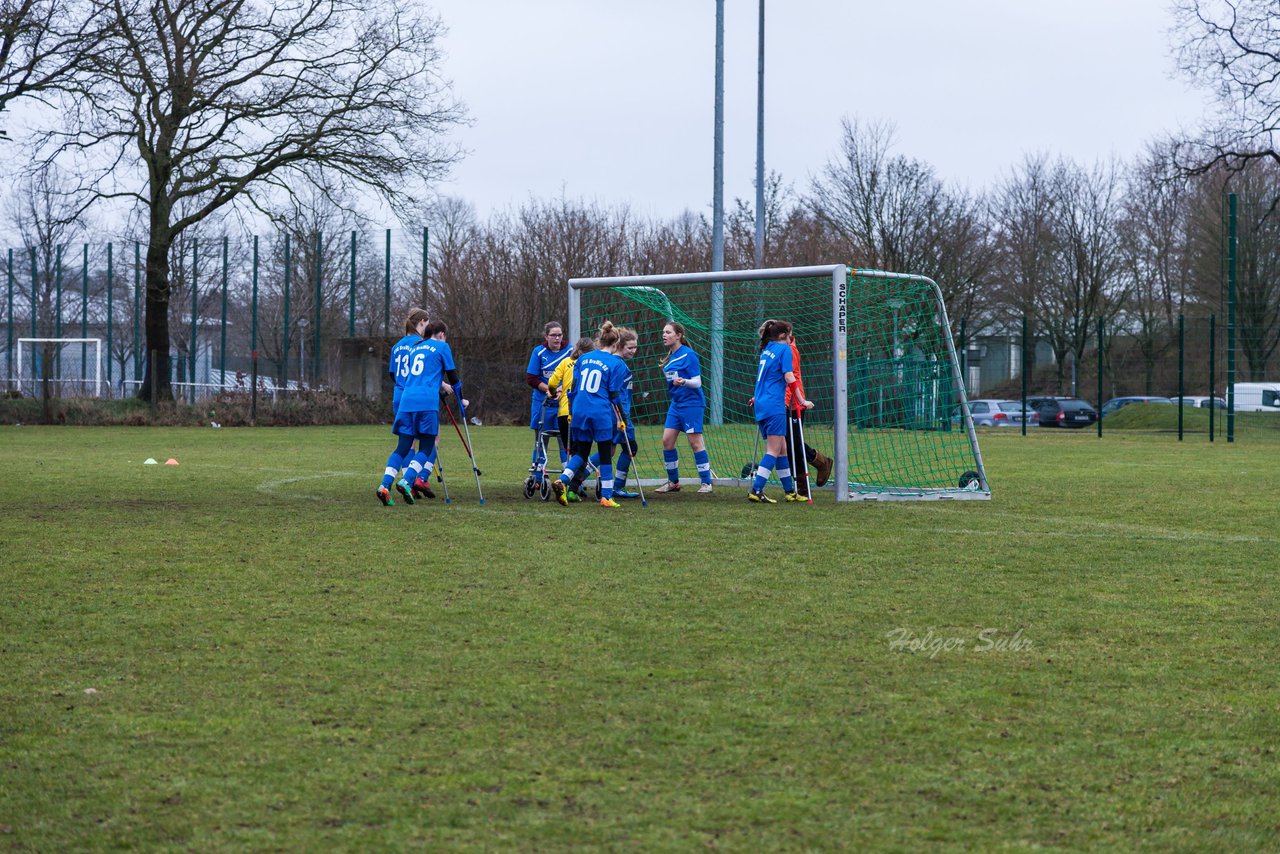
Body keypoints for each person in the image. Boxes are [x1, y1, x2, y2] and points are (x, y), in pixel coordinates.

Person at [376, 320, 461, 506]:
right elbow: (454, 378)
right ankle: (407, 481)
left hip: (406, 400)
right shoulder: (442, 347)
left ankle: (384, 485)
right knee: (426, 447)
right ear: (441, 335)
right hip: (426, 403)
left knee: (402, 447)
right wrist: (462, 399)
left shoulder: (414, 347)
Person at [551, 321, 631, 509]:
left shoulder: (582, 359)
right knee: (605, 453)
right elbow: (613, 393)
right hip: (599, 411)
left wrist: (571, 411)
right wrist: (622, 418)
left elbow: (573, 389)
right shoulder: (616, 363)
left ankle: (563, 480)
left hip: (579, 409)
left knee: (582, 452)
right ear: (616, 344)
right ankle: (606, 496)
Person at [748, 319, 810, 504]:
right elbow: (789, 376)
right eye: (790, 334)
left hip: (761, 403)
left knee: (782, 449)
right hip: (774, 405)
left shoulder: (766, 350)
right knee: (774, 450)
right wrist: (802, 400)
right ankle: (756, 489)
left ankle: (789, 491)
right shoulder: (785, 350)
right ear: (785, 335)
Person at [380, 309, 433, 504]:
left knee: (405, 444)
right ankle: (410, 481)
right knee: (429, 442)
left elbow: (392, 375)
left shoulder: (396, 346)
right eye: (428, 323)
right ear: (421, 322)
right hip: (416, 397)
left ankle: (393, 484)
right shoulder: (421, 345)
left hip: (399, 396)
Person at [654, 321, 713, 494]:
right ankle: (673, 482)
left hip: (691, 404)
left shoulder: (689, 355)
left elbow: (698, 382)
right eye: (663, 332)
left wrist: (684, 382)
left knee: (695, 443)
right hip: (676, 405)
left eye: (668, 332)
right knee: (667, 441)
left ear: (678, 335)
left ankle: (706, 483)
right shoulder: (670, 357)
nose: (664, 335)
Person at [784, 332, 834, 496]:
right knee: (787, 445)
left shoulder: (790, 350)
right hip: (781, 403)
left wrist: (796, 400)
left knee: (794, 444)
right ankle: (817, 466)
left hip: (793, 404)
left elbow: (791, 377)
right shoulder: (779, 350)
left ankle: (818, 465)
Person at [546, 336, 595, 502]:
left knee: (572, 452)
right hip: (581, 412)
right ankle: (573, 489)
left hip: (564, 413)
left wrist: (553, 394)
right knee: (581, 452)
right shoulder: (590, 365)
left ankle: (568, 486)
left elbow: (552, 383)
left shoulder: (565, 362)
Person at [525, 321, 571, 487]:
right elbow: (531, 378)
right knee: (540, 440)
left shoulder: (570, 351)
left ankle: (567, 478)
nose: (557, 338)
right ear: (546, 336)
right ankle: (537, 478)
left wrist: (561, 390)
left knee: (564, 441)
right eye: (553, 335)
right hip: (542, 402)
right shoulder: (539, 352)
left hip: (563, 403)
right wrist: (550, 389)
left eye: (559, 335)